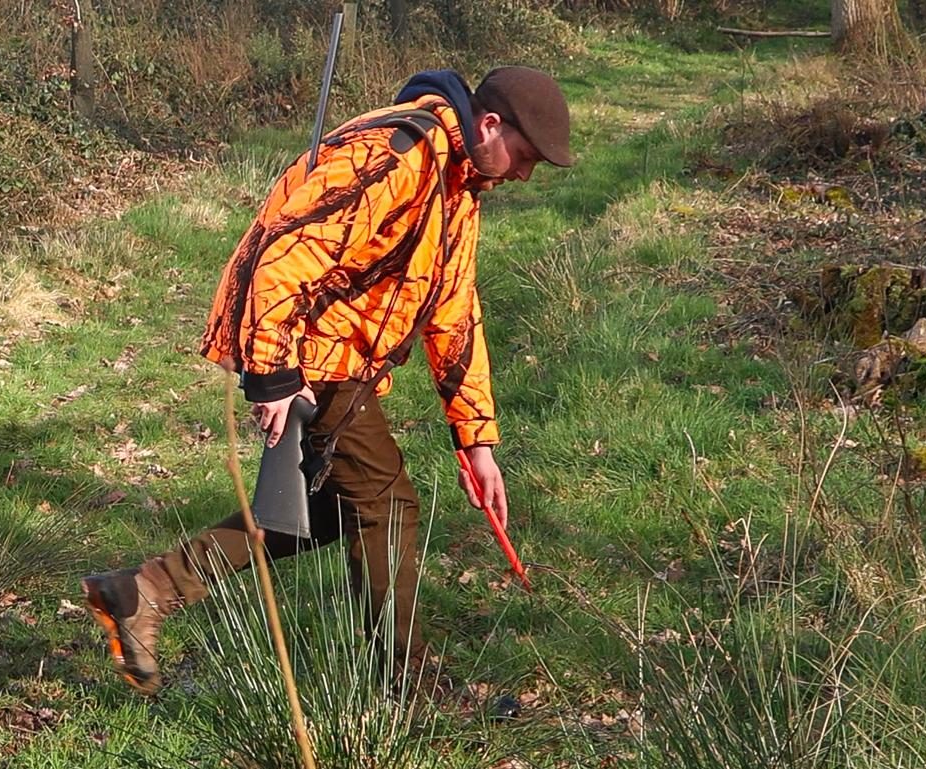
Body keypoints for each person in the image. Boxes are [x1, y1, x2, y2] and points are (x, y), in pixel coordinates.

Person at [80, 65, 572, 694]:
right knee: (388, 505)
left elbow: (453, 308)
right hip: (310, 352)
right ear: (490, 123)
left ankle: (144, 590)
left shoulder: (458, 180)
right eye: (526, 157)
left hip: (343, 360)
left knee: (332, 509)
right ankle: (408, 686)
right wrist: (276, 375)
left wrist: (475, 439)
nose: (525, 174)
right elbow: (283, 255)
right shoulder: (396, 157)